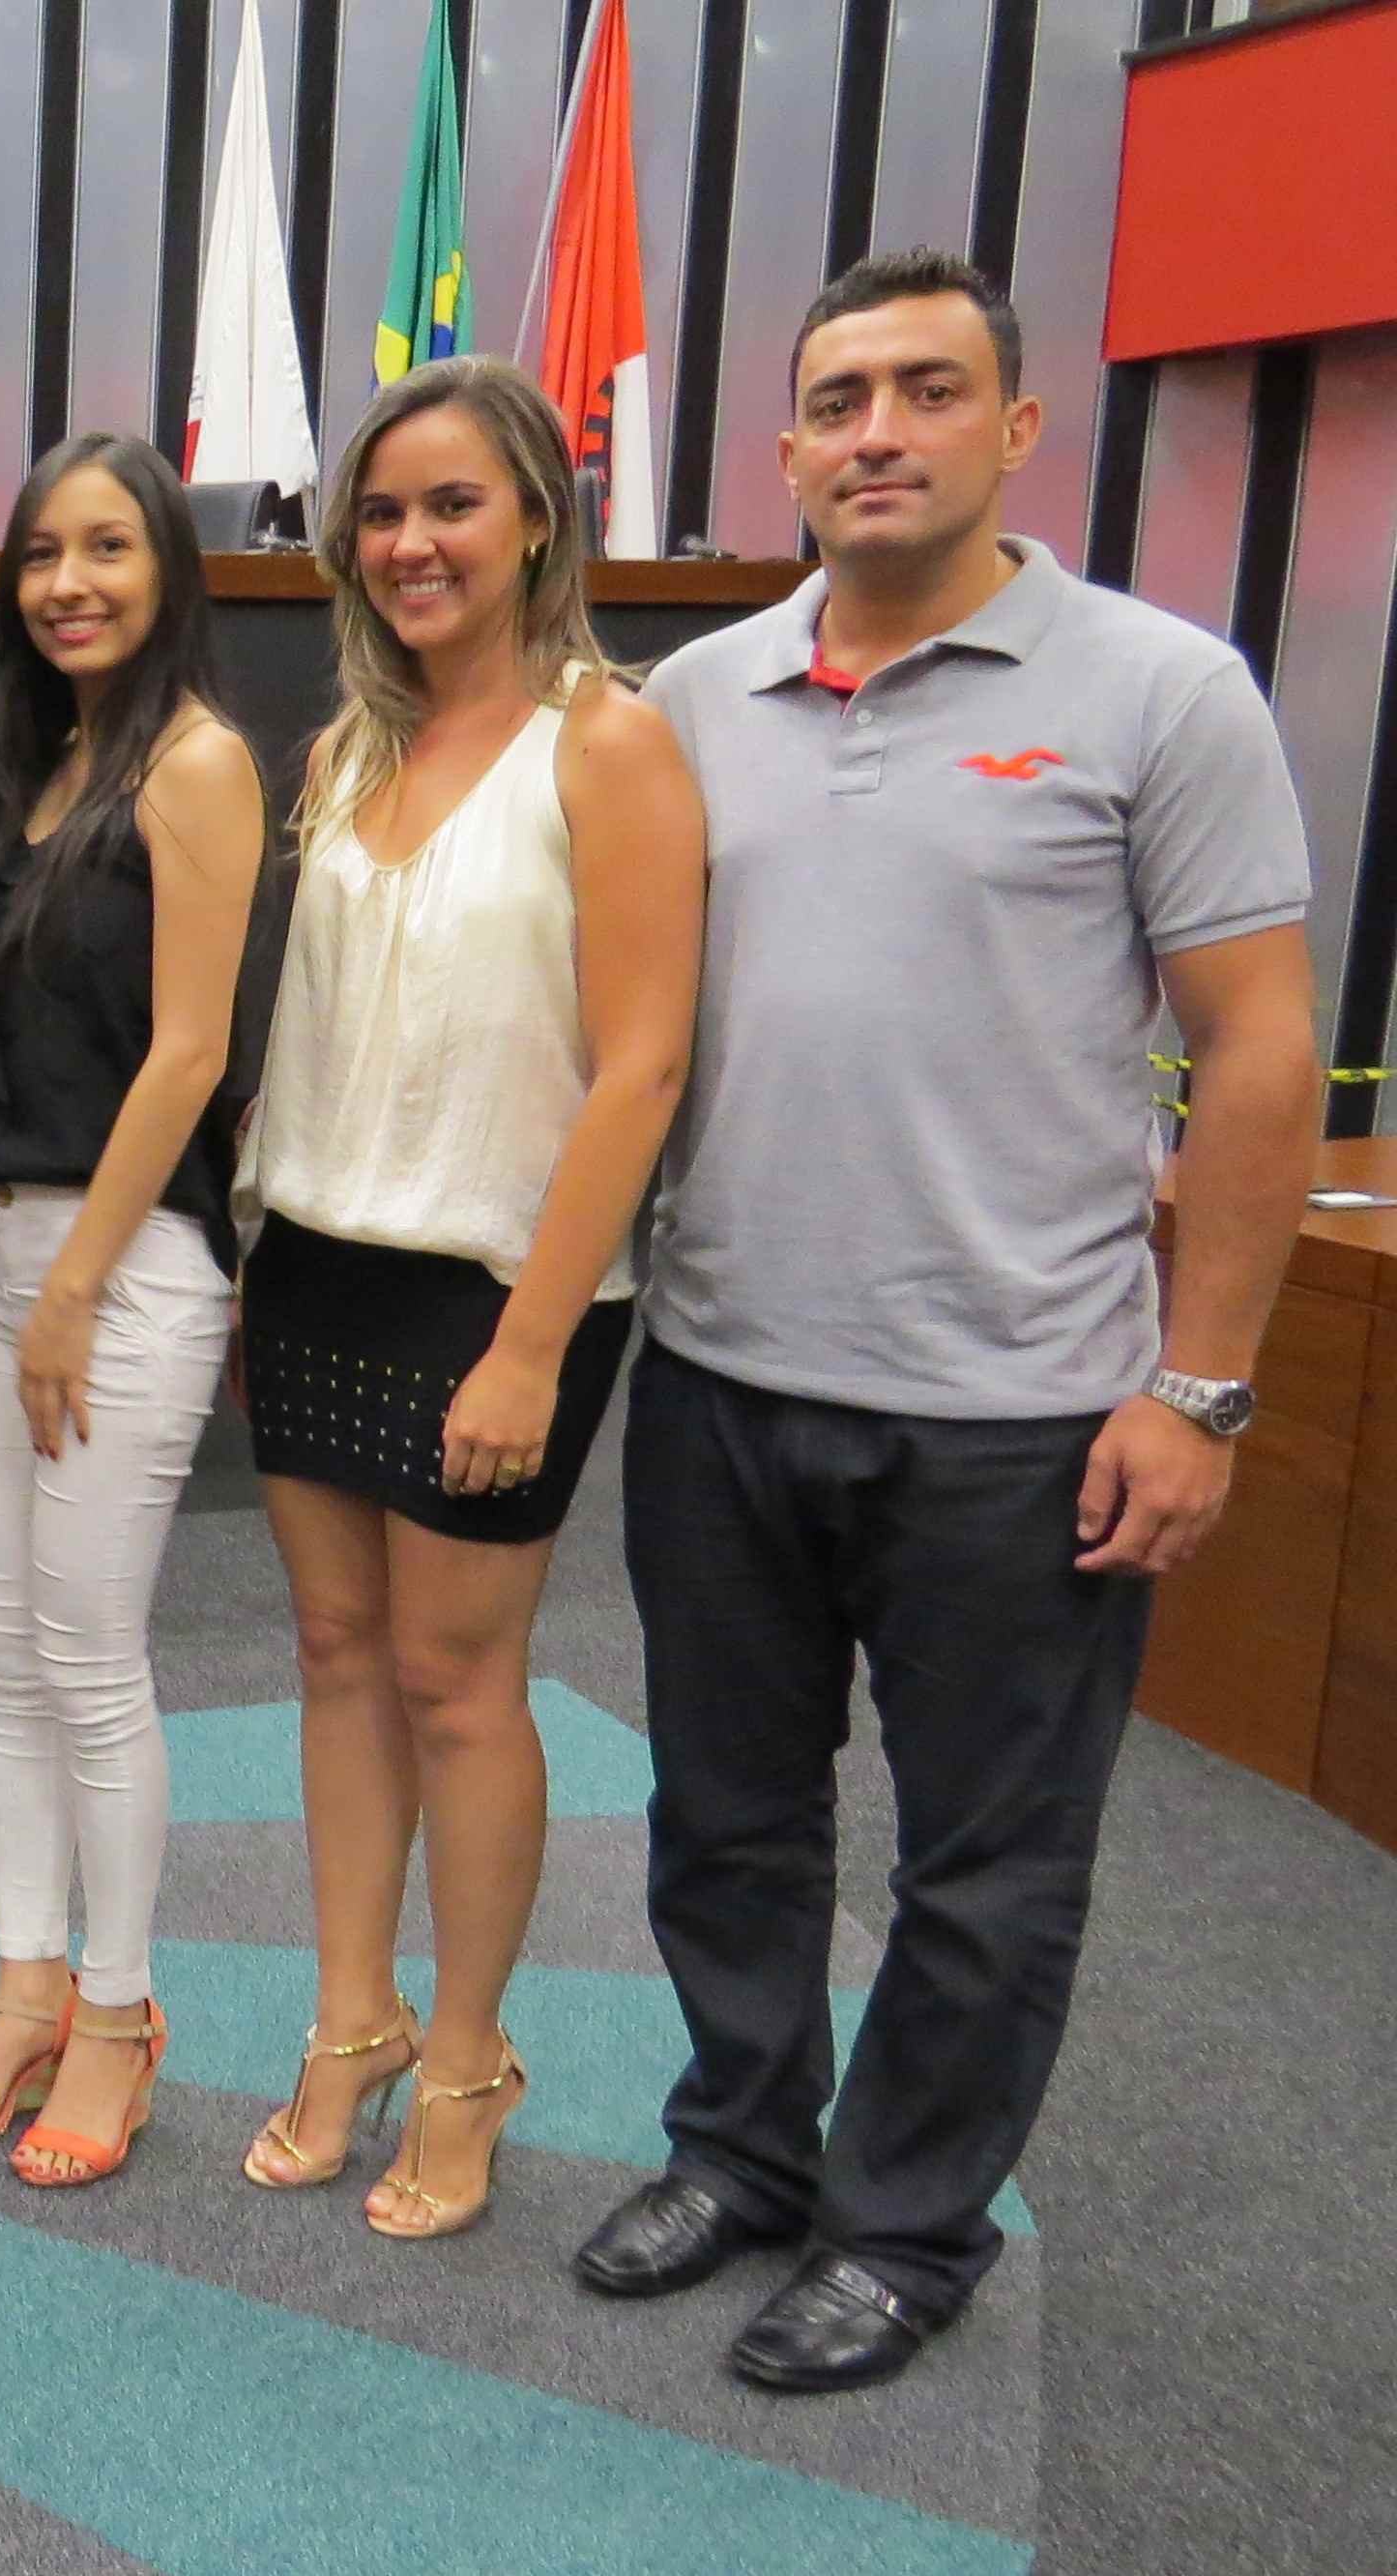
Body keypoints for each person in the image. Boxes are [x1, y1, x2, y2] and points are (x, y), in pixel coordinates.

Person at [578, 249, 1319, 2389]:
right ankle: (740, 2149)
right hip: (724, 1378)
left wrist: (1199, 1388)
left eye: (923, 390)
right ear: (787, 448)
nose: (875, 432)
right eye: (837, 400)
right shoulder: (693, 700)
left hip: (1020, 1413)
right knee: (722, 1821)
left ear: (1015, 429)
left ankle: (902, 2226)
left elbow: (1259, 1049)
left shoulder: (1160, 691)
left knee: (984, 1864)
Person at [231, 356, 703, 2239]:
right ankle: (353, 2019)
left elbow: (641, 1065)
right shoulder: (346, 751)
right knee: (337, 1655)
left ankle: (469, 2055)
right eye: (382, 512)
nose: (410, 542)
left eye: (450, 505)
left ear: (534, 523)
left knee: (455, 1680)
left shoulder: (609, 742)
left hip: (501, 1290)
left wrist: (530, 1340)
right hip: (315, 1264)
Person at [0, 436, 267, 2189]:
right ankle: (28, 1988)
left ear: (168, 567)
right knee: (8, 1653)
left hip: (119, 1273)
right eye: (43, 552)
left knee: (91, 1656)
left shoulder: (196, 763)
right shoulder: (22, 762)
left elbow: (191, 1052)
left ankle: (119, 2015)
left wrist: (69, 1288)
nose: (70, 583)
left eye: (108, 547)